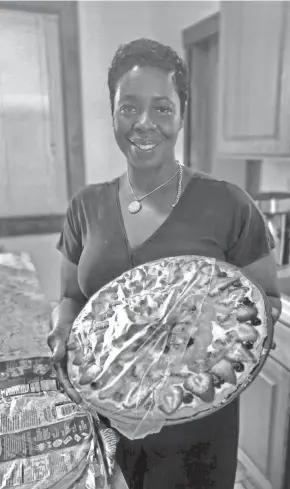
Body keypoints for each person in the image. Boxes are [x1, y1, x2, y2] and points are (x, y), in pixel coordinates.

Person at [48, 38, 281, 489]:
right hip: (106, 413)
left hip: (195, 431)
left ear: (181, 113)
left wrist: (238, 328)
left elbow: (263, 300)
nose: (143, 123)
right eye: (129, 107)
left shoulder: (230, 204)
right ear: (112, 112)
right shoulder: (86, 206)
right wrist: (62, 329)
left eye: (161, 108)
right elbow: (71, 297)